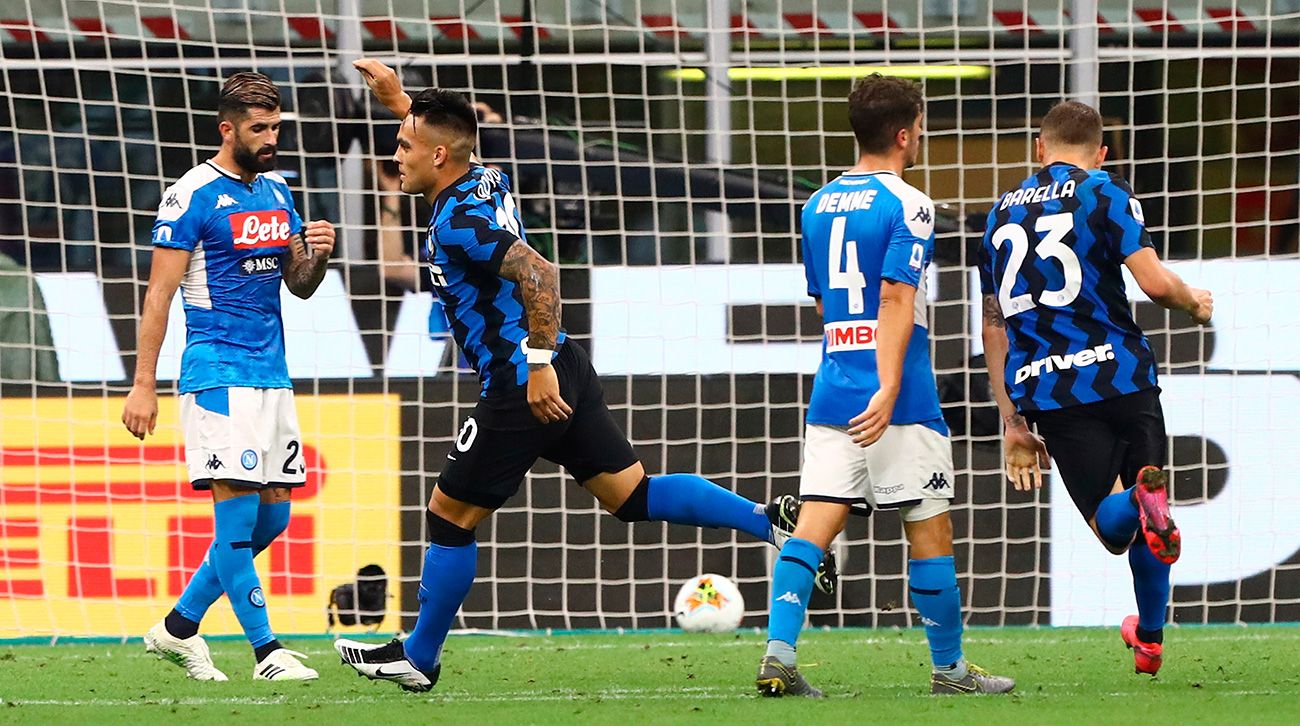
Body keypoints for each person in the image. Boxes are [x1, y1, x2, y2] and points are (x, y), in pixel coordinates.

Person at [333, 59, 834, 693]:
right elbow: (448, 136)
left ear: (436, 155)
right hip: (562, 361)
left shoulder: (458, 217)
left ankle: (419, 658)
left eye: (404, 145)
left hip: (526, 380)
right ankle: (769, 520)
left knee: (448, 514)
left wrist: (535, 367)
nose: (394, 154)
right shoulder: (483, 175)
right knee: (632, 495)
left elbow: (541, 273)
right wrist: (400, 99)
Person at [756, 74, 1015, 698]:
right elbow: (898, 296)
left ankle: (778, 655)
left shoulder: (815, 204)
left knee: (816, 520)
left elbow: (825, 304)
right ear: (904, 134)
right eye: (921, 128)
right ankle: (950, 671)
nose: (922, 138)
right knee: (927, 523)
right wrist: (890, 385)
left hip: (833, 382)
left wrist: (858, 370)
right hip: (898, 390)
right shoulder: (910, 203)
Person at [979, 101, 1213, 676]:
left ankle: (1139, 502)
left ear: (1040, 147)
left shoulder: (998, 215)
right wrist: (1194, 303)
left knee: (1118, 527)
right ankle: (1151, 639)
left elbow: (994, 322)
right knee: (1150, 524)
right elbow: (1155, 285)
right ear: (1102, 153)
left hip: (1053, 388)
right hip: (1126, 375)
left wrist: (1011, 421)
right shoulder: (1108, 191)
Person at [121, 72, 336, 682]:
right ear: (227, 129)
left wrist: (316, 254)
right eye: (258, 129)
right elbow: (159, 295)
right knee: (238, 519)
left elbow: (297, 284)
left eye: (276, 127)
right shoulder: (189, 194)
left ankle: (179, 628)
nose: (271, 139)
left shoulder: (277, 192)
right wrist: (144, 384)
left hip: (272, 372)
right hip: (216, 370)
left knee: (274, 519)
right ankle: (267, 652)